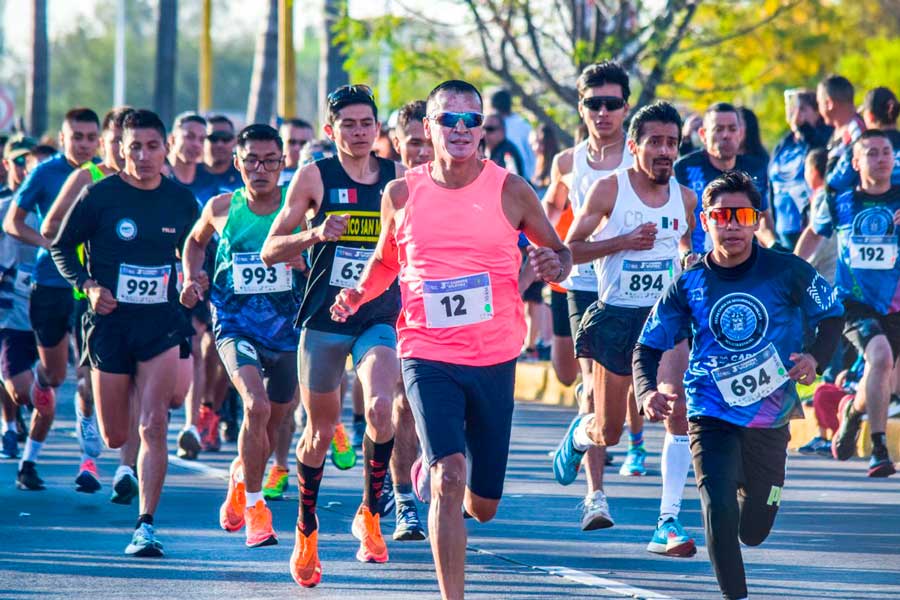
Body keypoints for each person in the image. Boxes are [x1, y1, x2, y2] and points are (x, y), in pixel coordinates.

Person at [330, 78, 570, 600]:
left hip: (495, 355)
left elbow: (561, 253)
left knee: (483, 504)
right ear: (428, 128)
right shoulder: (401, 192)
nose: (461, 130)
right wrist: (355, 295)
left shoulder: (511, 189)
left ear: (481, 127)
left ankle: (432, 468)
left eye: (470, 120)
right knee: (450, 478)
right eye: (448, 120)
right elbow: (384, 264)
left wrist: (553, 262)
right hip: (425, 352)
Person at [633, 170, 843, 600]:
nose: (730, 224)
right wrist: (646, 392)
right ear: (705, 222)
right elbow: (647, 347)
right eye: (720, 216)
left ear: (755, 220)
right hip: (709, 410)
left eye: (741, 214)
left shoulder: (787, 270)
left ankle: (756, 488)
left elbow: (832, 313)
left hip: (771, 417)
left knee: (754, 530)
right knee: (720, 512)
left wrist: (815, 359)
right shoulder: (689, 283)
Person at [262, 83, 402, 587]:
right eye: (349, 124)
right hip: (324, 320)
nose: (359, 132)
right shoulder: (315, 177)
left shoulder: (398, 178)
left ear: (378, 129)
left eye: (367, 123)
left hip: (377, 316)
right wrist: (315, 233)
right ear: (330, 130)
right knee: (320, 434)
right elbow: (271, 249)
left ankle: (369, 514)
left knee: (382, 408)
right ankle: (306, 526)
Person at [552, 101, 699, 557]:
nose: (664, 150)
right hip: (616, 317)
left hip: (664, 319)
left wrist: (691, 260)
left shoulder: (686, 197)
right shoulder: (608, 190)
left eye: (671, 142)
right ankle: (579, 435)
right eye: (654, 141)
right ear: (634, 146)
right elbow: (569, 250)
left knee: (677, 407)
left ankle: (667, 523)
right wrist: (623, 242)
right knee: (609, 430)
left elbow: (689, 244)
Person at [50, 109, 198, 556]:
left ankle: (146, 525)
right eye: (135, 147)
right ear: (121, 149)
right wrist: (88, 286)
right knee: (117, 436)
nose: (145, 156)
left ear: (166, 148)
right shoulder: (101, 196)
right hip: (109, 324)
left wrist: (194, 280)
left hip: (161, 323)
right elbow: (60, 244)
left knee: (155, 422)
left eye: (153, 146)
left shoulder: (180, 200)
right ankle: (117, 436)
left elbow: (196, 250)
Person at [181, 124, 302, 548]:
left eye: (270, 160)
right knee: (255, 404)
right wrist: (191, 276)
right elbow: (195, 243)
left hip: (288, 331)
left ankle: (240, 476)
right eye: (251, 160)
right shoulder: (220, 206)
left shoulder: (297, 207)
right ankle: (255, 508)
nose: (261, 169)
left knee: (272, 424)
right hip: (234, 324)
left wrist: (304, 259)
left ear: (283, 163)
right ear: (238, 163)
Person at [542, 61, 639, 528]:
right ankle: (595, 496)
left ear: (626, 107)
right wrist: (543, 246)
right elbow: (550, 210)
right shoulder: (568, 162)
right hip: (582, 283)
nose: (603, 113)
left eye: (612, 104)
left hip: (635, 285)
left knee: (618, 395)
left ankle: (583, 436)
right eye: (593, 104)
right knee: (581, 383)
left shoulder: (641, 159)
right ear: (581, 107)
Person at [42, 106, 142, 503]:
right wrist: (85, 262)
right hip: (92, 298)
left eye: (128, 142)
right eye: (116, 142)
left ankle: (126, 469)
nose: (123, 150)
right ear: (105, 143)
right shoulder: (89, 177)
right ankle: (88, 443)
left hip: (141, 302)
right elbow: (51, 229)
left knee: (137, 385)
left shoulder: (149, 180)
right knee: (86, 383)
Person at [2, 108, 100, 492]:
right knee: (55, 377)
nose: (85, 143)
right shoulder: (45, 173)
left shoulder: (104, 175)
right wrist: (52, 244)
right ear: (63, 139)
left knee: (88, 379)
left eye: (91, 137)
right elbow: (14, 222)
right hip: (49, 284)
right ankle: (29, 460)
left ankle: (88, 463)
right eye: (77, 136)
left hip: (90, 286)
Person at [808, 130, 899, 477]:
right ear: (856, 162)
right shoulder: (840, 201)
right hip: (854, 302)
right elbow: (814, 235)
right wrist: (789, 273)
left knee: (886, 380)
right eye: (872, 153)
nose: (881, 158)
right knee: (880, 357)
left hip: (895, 303)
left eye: (886, 151)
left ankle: (852, 411)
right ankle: (878, 450)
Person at [385, 99, 433, 541]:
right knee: (399, 401)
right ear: (397, 143)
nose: (421, 151)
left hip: (450, 313)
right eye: (413, 142)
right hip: (393, 309)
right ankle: (403, 502)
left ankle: (426, 463)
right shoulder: (388, 190)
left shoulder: (467, 186)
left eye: (427, 141)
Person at [674, 102, 776, 253]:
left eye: (732, 129)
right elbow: (680, 222)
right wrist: (686, 254)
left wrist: (773, 245)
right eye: (718, 129)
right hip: (700, 261)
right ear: (703, 134)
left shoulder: (755, 168)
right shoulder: (685, 168)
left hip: (744, 263)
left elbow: (762, 217)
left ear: (740, 134)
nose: (726, 135)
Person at [0, 134, 38, 461]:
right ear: (7, 164)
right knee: (8, 375)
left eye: (31, 161)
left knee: (32, 384)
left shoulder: (50, 206)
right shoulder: (2, 207)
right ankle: (8, 427)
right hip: (7, 304)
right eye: (20, 161)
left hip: (42, 301)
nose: (25, 168)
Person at [768, 91, 832, 250]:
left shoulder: (824, 135)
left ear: (817, 112)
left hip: (809, 224)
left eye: (802, 109)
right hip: (784, 224)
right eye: (793, 108)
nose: (796, 113)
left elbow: (821, 154)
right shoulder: (784, 144)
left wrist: (803, 128)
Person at [489, 88, 535, 180]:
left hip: (512, 179)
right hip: (525, 179)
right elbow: (532, 155)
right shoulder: (524, 124)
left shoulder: (492, 125)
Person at [204, 115, 242, 193]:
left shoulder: (245, 175)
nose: (220, 144)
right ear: (202, 140)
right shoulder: (190, 174)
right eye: (214, 138)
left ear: (235, 141)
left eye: (225, 138)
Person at [279, 118, 315, 186]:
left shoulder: (320, 175)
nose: (297, 148)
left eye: (303, 143)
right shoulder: (269, 175)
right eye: (292, 142)